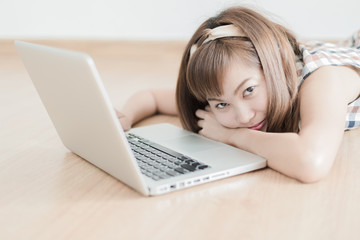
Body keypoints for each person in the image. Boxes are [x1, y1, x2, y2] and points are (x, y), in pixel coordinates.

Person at [116, 6, 360, 183]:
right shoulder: (233, 88)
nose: (243, 117)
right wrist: (125, 117)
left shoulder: (322, 80)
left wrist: (232, 136)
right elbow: (152, 97)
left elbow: (311, 162)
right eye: (221, 104)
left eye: (249, 90)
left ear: (273, 65)